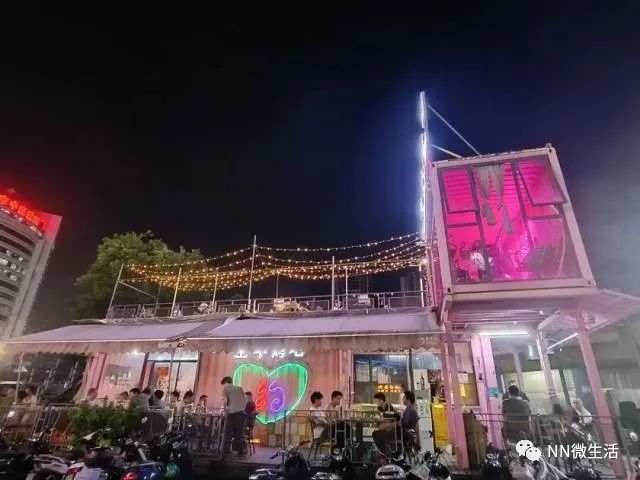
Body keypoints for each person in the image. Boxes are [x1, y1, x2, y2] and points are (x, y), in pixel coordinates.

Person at [372, 391, 419, 456]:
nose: (402, 400)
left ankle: (388, 453)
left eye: (404, 398)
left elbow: (404, 423)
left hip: (403, 433)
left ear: (408, 399)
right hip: (402, 431)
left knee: (379, 434)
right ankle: (388, 453)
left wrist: (391, 424)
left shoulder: (409, 410)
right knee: (379, 433)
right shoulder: (410, 409)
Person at [220, 376, 247, 457]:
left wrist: (225, 410)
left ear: (225, 382)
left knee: (227, 432)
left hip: (232, 413)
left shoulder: (225, 388)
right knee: (239, 433)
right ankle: (241, 451)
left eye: (223, 384)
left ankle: (226, 450)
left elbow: (225, 400)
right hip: (241, 413)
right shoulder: (239, 388)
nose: (223, 386)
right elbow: (245, 400)